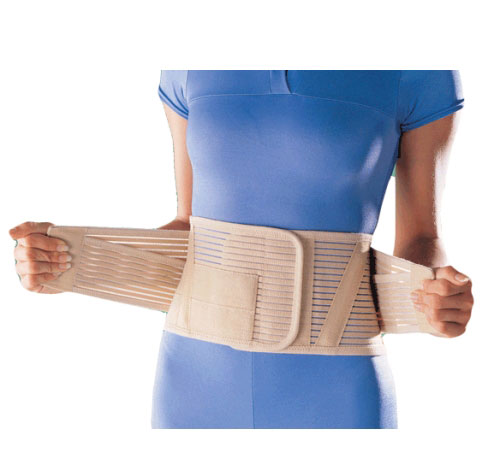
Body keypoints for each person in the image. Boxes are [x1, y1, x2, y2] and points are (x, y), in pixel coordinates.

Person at [9, 70, 474, 429]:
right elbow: (191, 228)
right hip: (194, 380)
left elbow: (420, 237)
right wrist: (67, 259)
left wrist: (434, 294)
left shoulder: (415, 68)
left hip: (335, 384)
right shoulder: (188, 65)